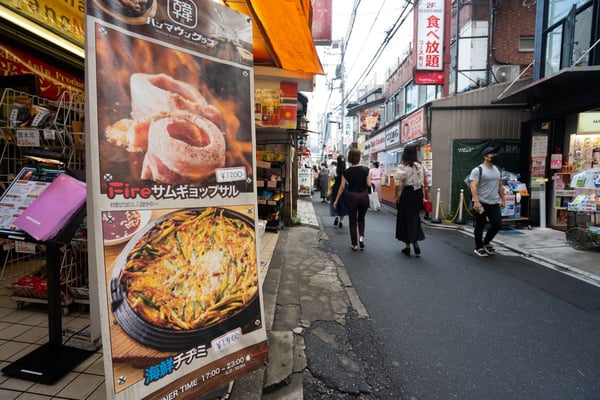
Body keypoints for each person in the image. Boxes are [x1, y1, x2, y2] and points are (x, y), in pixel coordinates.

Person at [469, 145, 505, 257]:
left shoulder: (497, 169)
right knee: (480, 224)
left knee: (497, 224)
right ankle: (479, 246)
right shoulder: (478, 170)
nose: (495, 155)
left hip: (494, 202)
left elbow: (500, 186)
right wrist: (476, 201)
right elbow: (473, 186)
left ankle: (486, 242)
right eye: (492, 154)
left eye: (496, 153)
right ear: (485, 156)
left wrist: (503, 200)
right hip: (481, 202)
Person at [333, 148, 370, 251]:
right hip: (363, 196)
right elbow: (369, 184)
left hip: (352, 196)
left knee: (353, 221)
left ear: (349, 158)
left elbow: (341, 187)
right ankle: (361, 237)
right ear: (359, 158)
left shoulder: (346, 172)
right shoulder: (366, 170)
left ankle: (354, 244)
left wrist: (336, 200)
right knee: (361, 218)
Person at [394, 143, 428, 256]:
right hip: (418, 194)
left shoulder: (403, 167)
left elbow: (398, 184)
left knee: (405, 218)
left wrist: (396, 194)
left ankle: (407, 246)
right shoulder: (421, 166)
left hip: (407, 194)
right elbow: (426, 179)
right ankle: (416, 242)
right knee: (415, 217)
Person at [329, 155, 348, 228]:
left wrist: (330, 186)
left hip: (336, 188)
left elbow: (330, 178)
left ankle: (336, 217)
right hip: (344, 188)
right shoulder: (346, 171)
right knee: (343, 204)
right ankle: (341, 221)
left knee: (335, 202)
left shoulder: (334, 169)